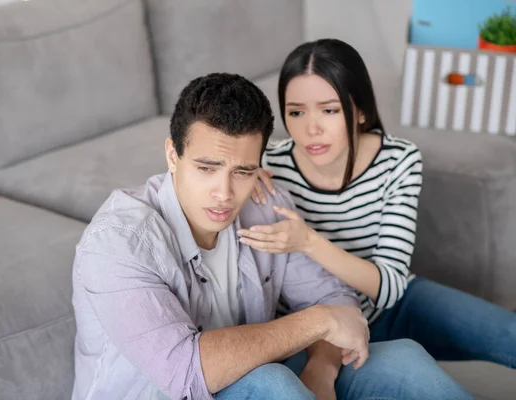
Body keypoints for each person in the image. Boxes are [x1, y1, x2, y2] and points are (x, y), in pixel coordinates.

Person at [71, 72, 472, 400]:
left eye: (243, 171)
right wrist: (316, 323)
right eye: (207, 168)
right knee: (271, 383)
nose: (225, 194)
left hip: (248, 380)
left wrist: (320, 369)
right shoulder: (119, 242)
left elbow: (336, 300)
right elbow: (186, 373)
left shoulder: (263, 205)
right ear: (173, 155)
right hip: (174, 392)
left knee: (403, 359)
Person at [240, 38, 516, 388]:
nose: (311, 129)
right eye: (296, 112)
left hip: (392, 304)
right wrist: (240, 175)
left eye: (329, 110)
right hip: (323, 331)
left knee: (509, 331)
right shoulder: (268, 167)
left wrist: (308, 241)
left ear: (360, 112)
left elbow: (388, 287)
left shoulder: (399, 160)